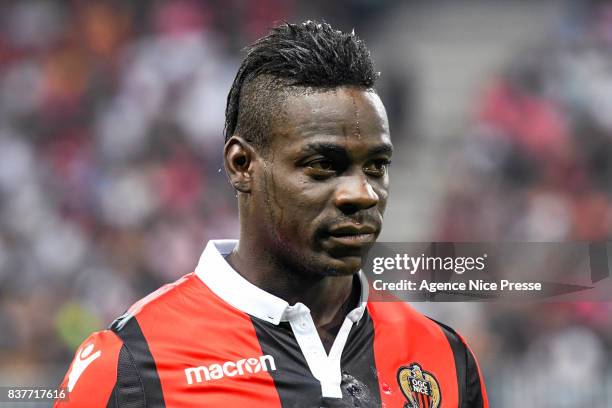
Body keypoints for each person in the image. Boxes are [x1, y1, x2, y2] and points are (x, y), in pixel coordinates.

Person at [55, 21, 488, 408]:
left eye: (376, 166)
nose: (362, 193)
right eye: (323, 165)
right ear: (242, 165)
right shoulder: (132, 361)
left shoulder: (444, 357)